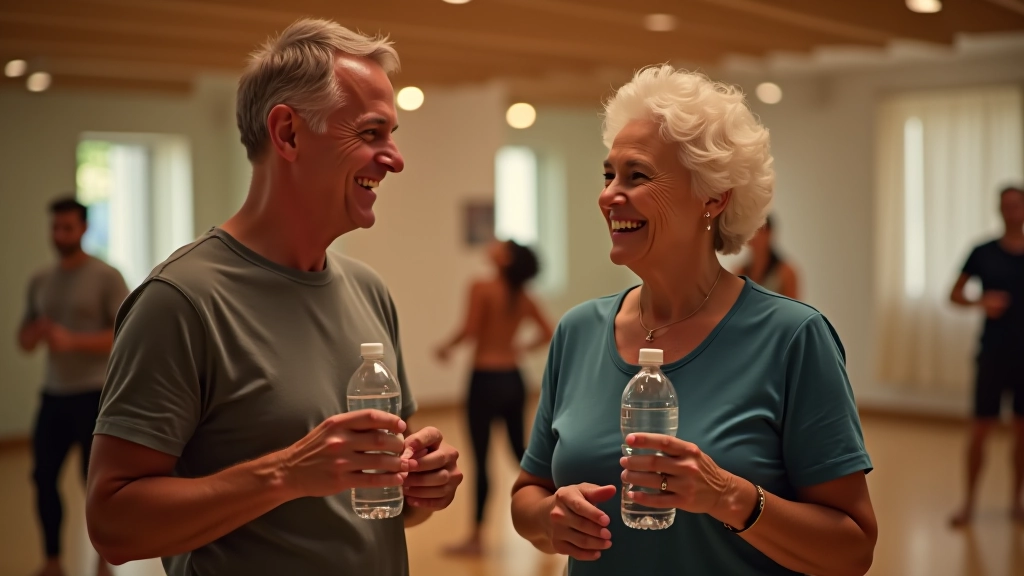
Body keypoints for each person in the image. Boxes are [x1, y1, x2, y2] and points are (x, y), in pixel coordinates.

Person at [84, 19, 462, 576]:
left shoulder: (368, 291)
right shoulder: (181, 301)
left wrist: (417, 486)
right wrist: (286, 472)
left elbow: (369, 502)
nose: (396, 158)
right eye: (371, 133)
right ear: (287, 133)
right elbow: (113, 526)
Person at [509, 66, 877, 575]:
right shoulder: (578, 331)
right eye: (608, 174)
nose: (609, 194)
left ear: (713, 197)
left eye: (637, 175)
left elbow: (853, 549)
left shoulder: (792, 338)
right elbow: (529, 494)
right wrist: (549, 519)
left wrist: (730, 497)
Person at [17, 197, 128, 576]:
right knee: (43, 478)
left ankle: (103, 557)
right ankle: (51, 561)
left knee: (93, 483)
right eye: (55, 227)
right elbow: (25, 339)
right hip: (53, 395)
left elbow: (125, 335)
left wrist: (73, 341)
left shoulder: (106, 276)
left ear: (83, 229)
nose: (59, 235)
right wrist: (34, 335)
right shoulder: (40, 280)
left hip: (95, 394)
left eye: (67, 227)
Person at [434, 239, 554, 555]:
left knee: (481, 458)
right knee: (522, 454)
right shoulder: (524, 296)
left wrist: (446, 346)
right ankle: (553, 516)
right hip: (513, 380)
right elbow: (547, 331)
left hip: (485, 380)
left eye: (503, 246)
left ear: (506, 260)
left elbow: (470, 329)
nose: (495, 245)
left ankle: (475, 538)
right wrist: (519, 349)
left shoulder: (481, 287)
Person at [949, 186, 1024, 527]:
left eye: (1017, 205)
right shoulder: (982, 252)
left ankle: (1016, 503)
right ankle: (968, 503)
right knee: (980, 430)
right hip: (993, 354)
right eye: (1006, 205)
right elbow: (954, 294)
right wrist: (981, 302)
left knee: (1021, 434)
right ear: (999, 209)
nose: (1011, 210)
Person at [742, 214, 800, 299]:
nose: (754, 236)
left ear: (769, 233)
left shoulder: (785, 273)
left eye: (760, 231)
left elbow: (794, 309)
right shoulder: (739, 272)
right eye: (751, 231)